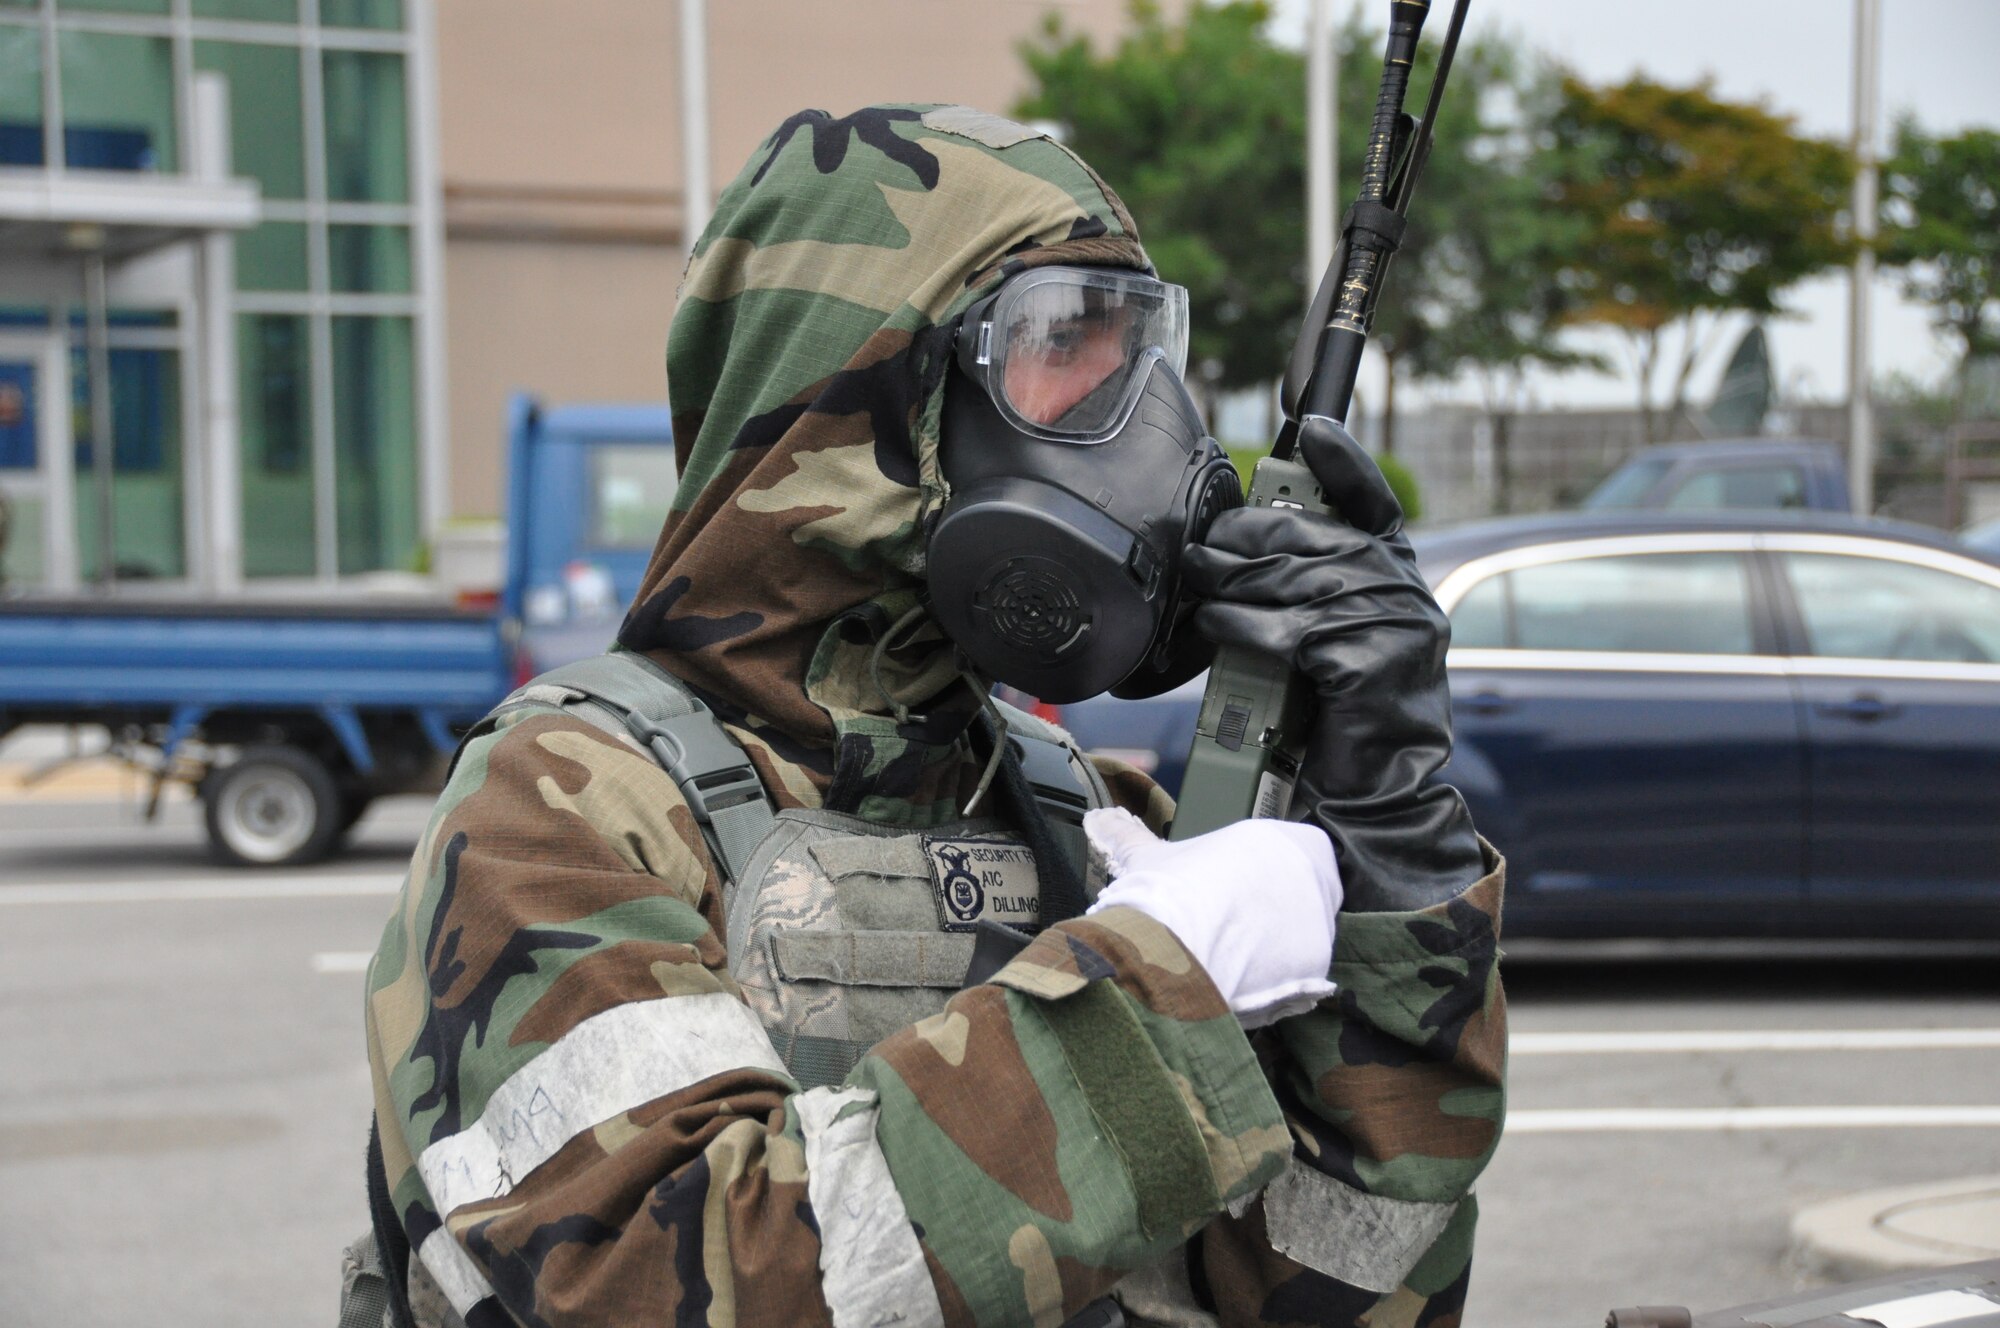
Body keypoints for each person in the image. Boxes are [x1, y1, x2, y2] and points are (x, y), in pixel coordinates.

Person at [357, 103, 1505, 1328]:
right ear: (865, 385)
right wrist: (1141, 986)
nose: (1133, 407)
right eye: (1064, 339)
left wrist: (1389, 843)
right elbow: (663, 1277)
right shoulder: (565, 804)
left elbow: (1334, 1289)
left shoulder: (1084, 818)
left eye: (1136, 346)